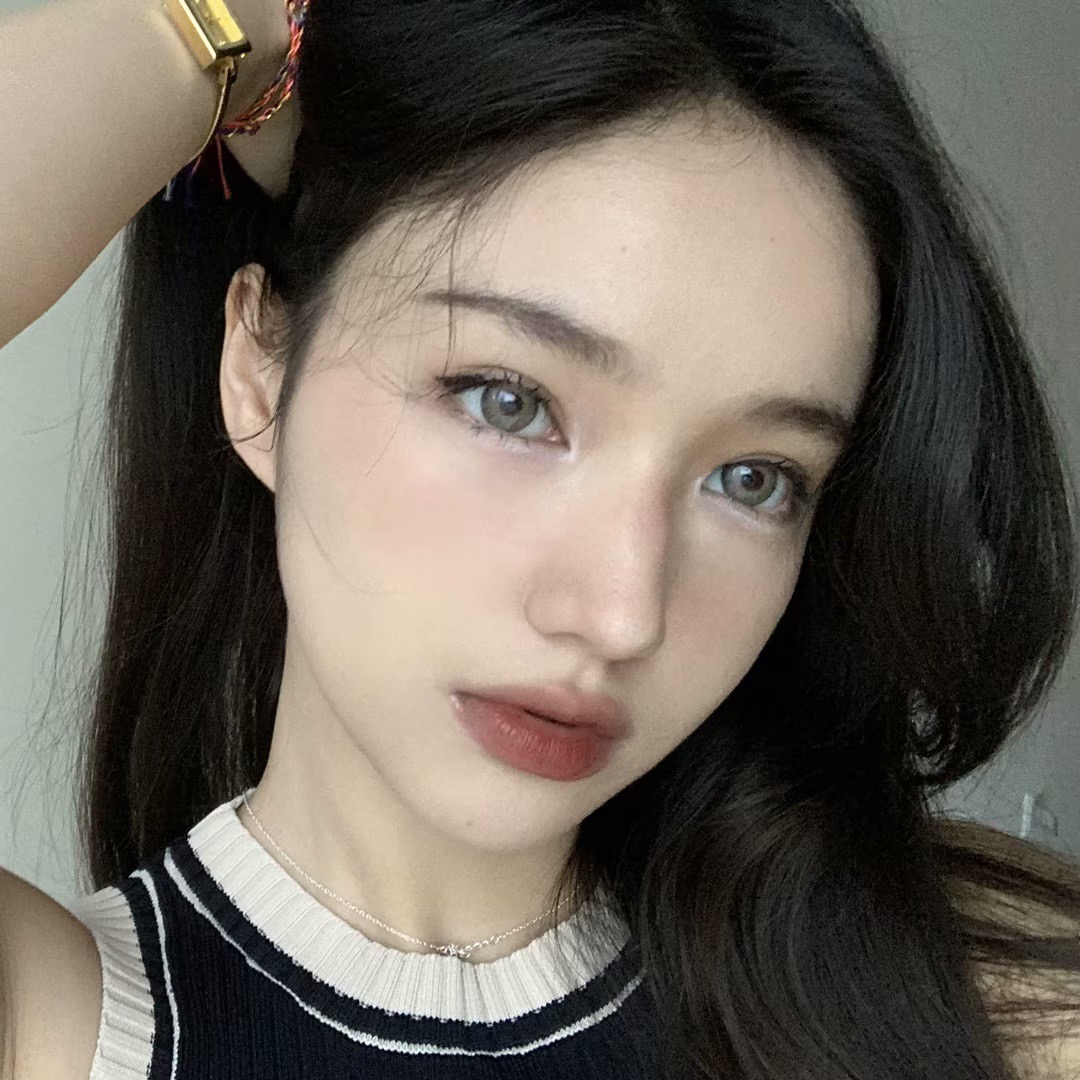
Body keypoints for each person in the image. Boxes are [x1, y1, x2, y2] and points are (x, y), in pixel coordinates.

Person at [1, 0, 1079, 1076]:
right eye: (508, 402)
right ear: (260, 366)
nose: (621, 613)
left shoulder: (984, 996)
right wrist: (226, 24)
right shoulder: (63, 1034)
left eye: (754, 480)